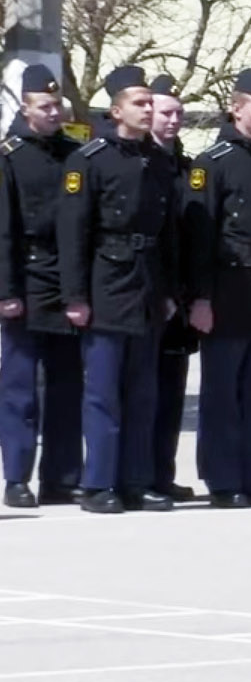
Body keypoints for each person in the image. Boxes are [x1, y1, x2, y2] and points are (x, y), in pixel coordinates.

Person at [58, 64, 179, 514]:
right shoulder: (89, 160)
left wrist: (169, 291)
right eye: (139, 103)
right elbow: (73, 233)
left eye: (150, 102)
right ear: (116, 110)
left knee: (143, 392)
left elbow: (169, 234)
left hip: (147, 285)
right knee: (103, 392)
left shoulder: (159, 162)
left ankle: (135, 481)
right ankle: (98, 483)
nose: (147, 110)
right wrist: (75, 296)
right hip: (106, 283)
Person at [180, 68, 251, 507]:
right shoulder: (212, 164)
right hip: (227, 289)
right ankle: (224, 480)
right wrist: (202, 298)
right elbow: (200, 239)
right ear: (236, 109)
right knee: (223, 394)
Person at [0, 64, 83, 508]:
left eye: (57, 106)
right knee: (19, 388)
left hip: (66, 281)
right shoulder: (9, 156)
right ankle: (17, 477)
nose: (54, 113)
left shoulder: (75, 153)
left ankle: (62, 477)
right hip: (27, 280)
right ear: (26, 107)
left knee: (67, 385)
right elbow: (3, 230)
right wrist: (6, 290)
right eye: (46, 106)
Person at [146, 74, 198, 502]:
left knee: (171, 392)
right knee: (141, 391)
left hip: (180, 297)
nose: (173, 120)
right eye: (165, 113)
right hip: (146, 294)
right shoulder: (140, 163)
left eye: (178, 113)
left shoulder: (186, 168)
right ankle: (138, 475)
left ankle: (162, 473)